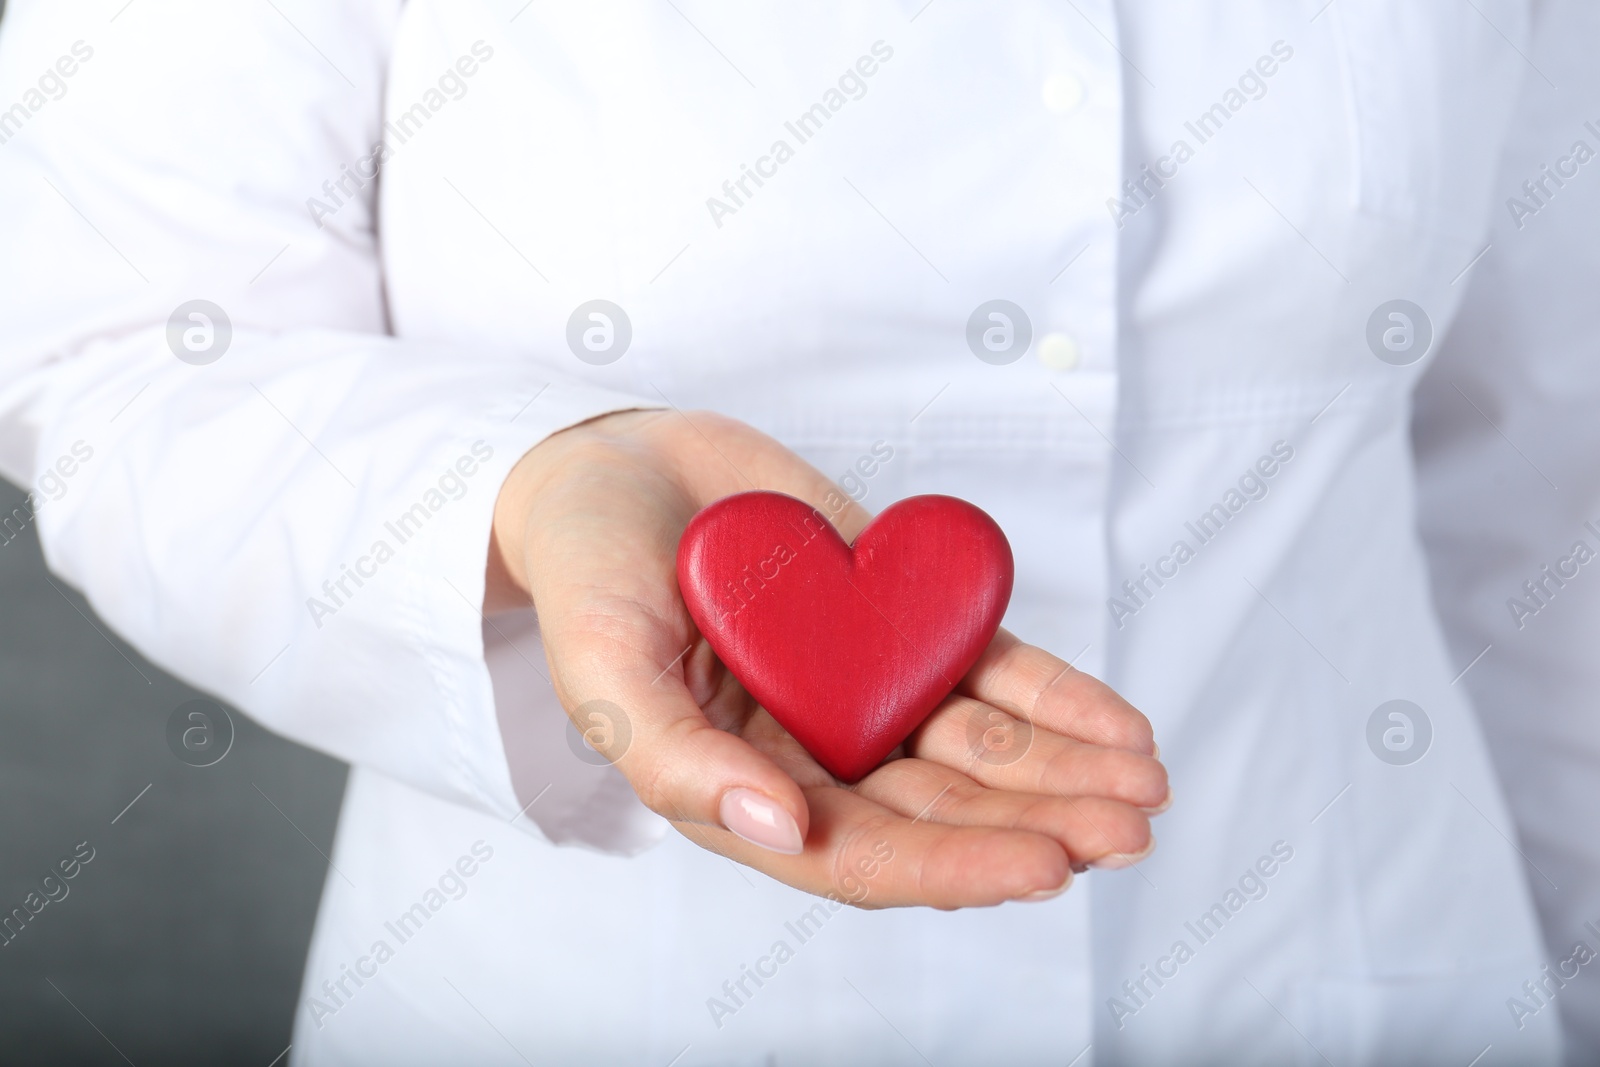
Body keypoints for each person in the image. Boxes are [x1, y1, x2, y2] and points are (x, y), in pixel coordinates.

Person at [1, 1, 1596, 1064]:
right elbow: (124, 344)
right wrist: (525, 491)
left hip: (1357, 965)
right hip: (583, 1002)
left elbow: (1550, 471)